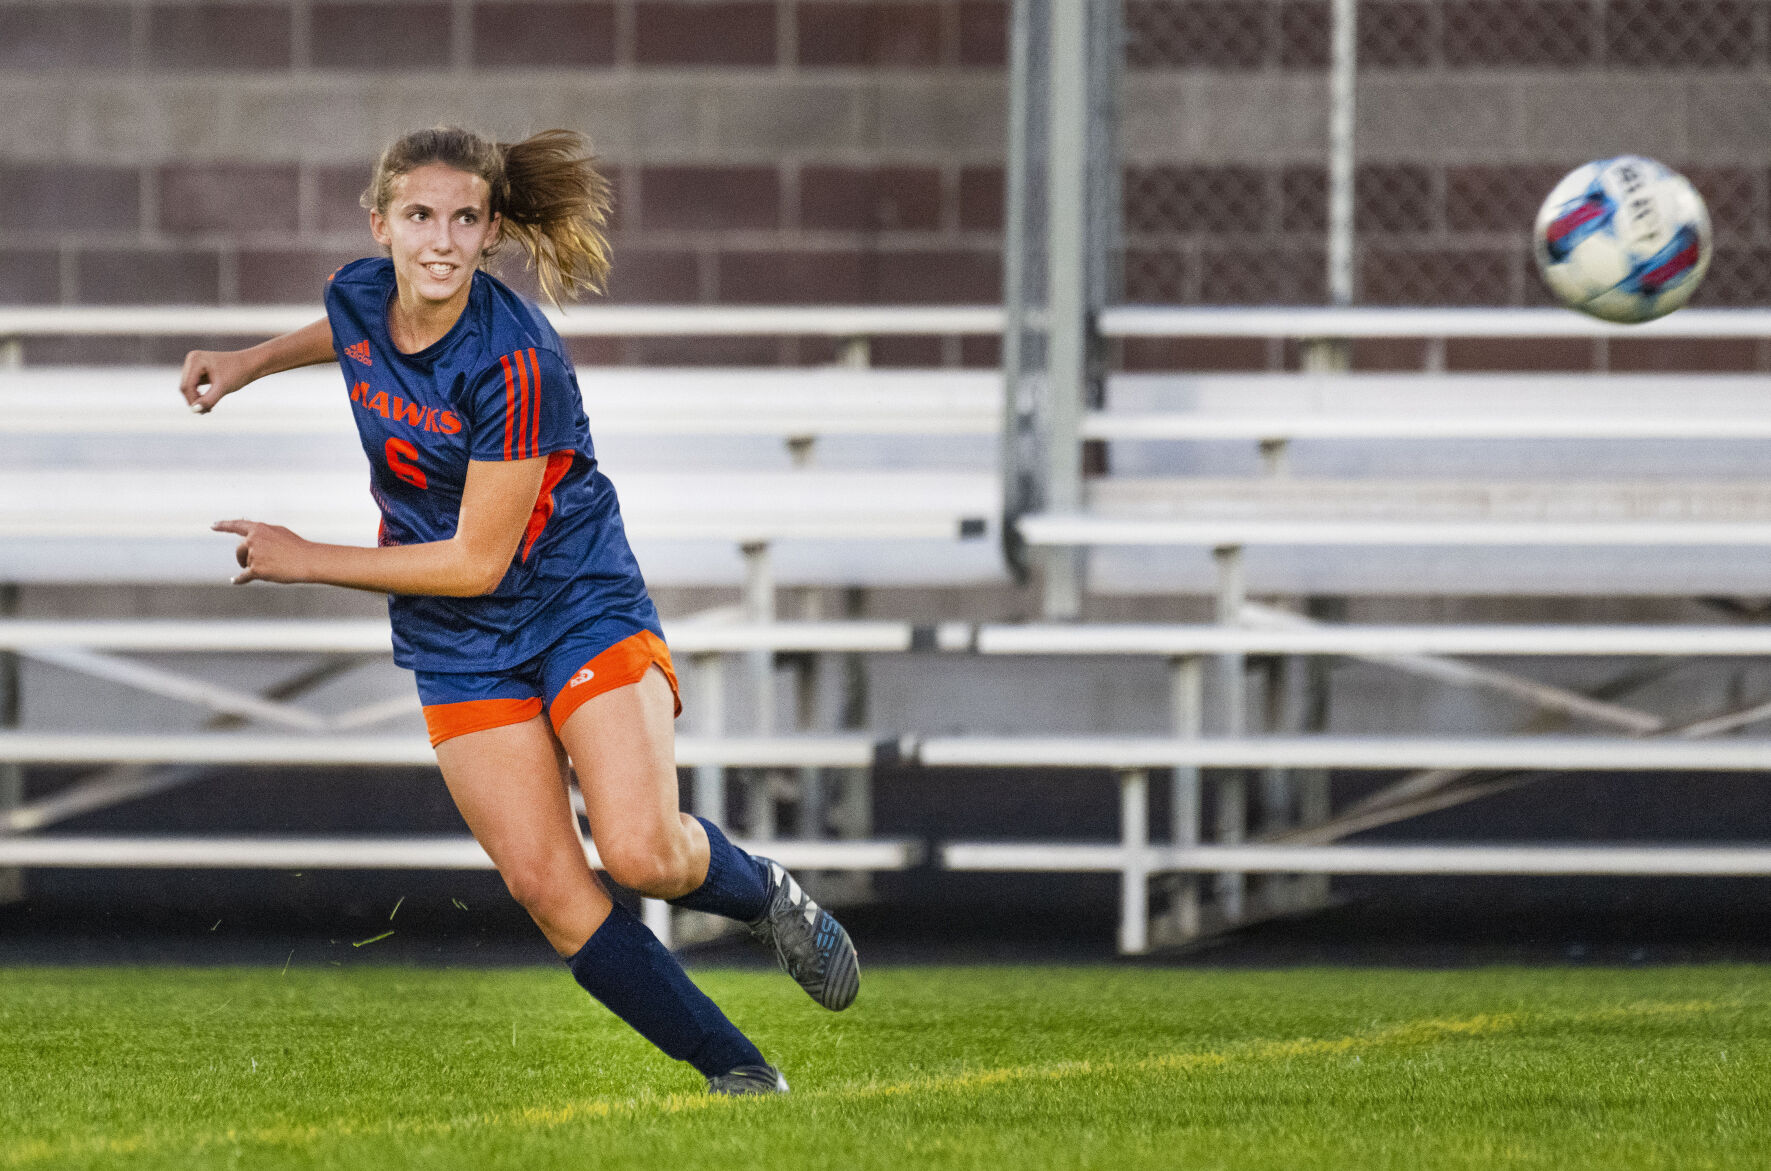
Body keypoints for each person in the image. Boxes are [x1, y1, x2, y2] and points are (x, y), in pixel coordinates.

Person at [176, 126, 858, 1096]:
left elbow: (475, 560)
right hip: (455, 639)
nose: (440, 240)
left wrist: (303, 559)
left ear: (492, 228)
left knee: (640, 851)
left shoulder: (516, 359)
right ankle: (736, 1070)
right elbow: (351, 327)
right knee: (548, 887)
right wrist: (248, 361)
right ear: (382, 225)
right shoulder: (360, 291)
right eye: (418, 217)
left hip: (572, 602)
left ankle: (768, 894)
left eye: (463, 218)